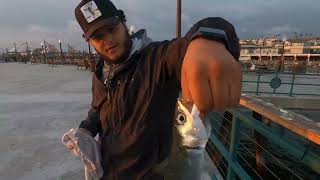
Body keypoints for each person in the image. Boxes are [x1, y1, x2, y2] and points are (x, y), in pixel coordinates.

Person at [73, 0, 242, 179]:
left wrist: (208, 40)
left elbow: (184, 48)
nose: (108, 40)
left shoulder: (157, 60)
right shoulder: (100, 75)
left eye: (112, 29)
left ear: (123, 22)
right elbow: (98, 109)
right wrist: (85, 130)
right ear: (89, 41)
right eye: (98, 36)